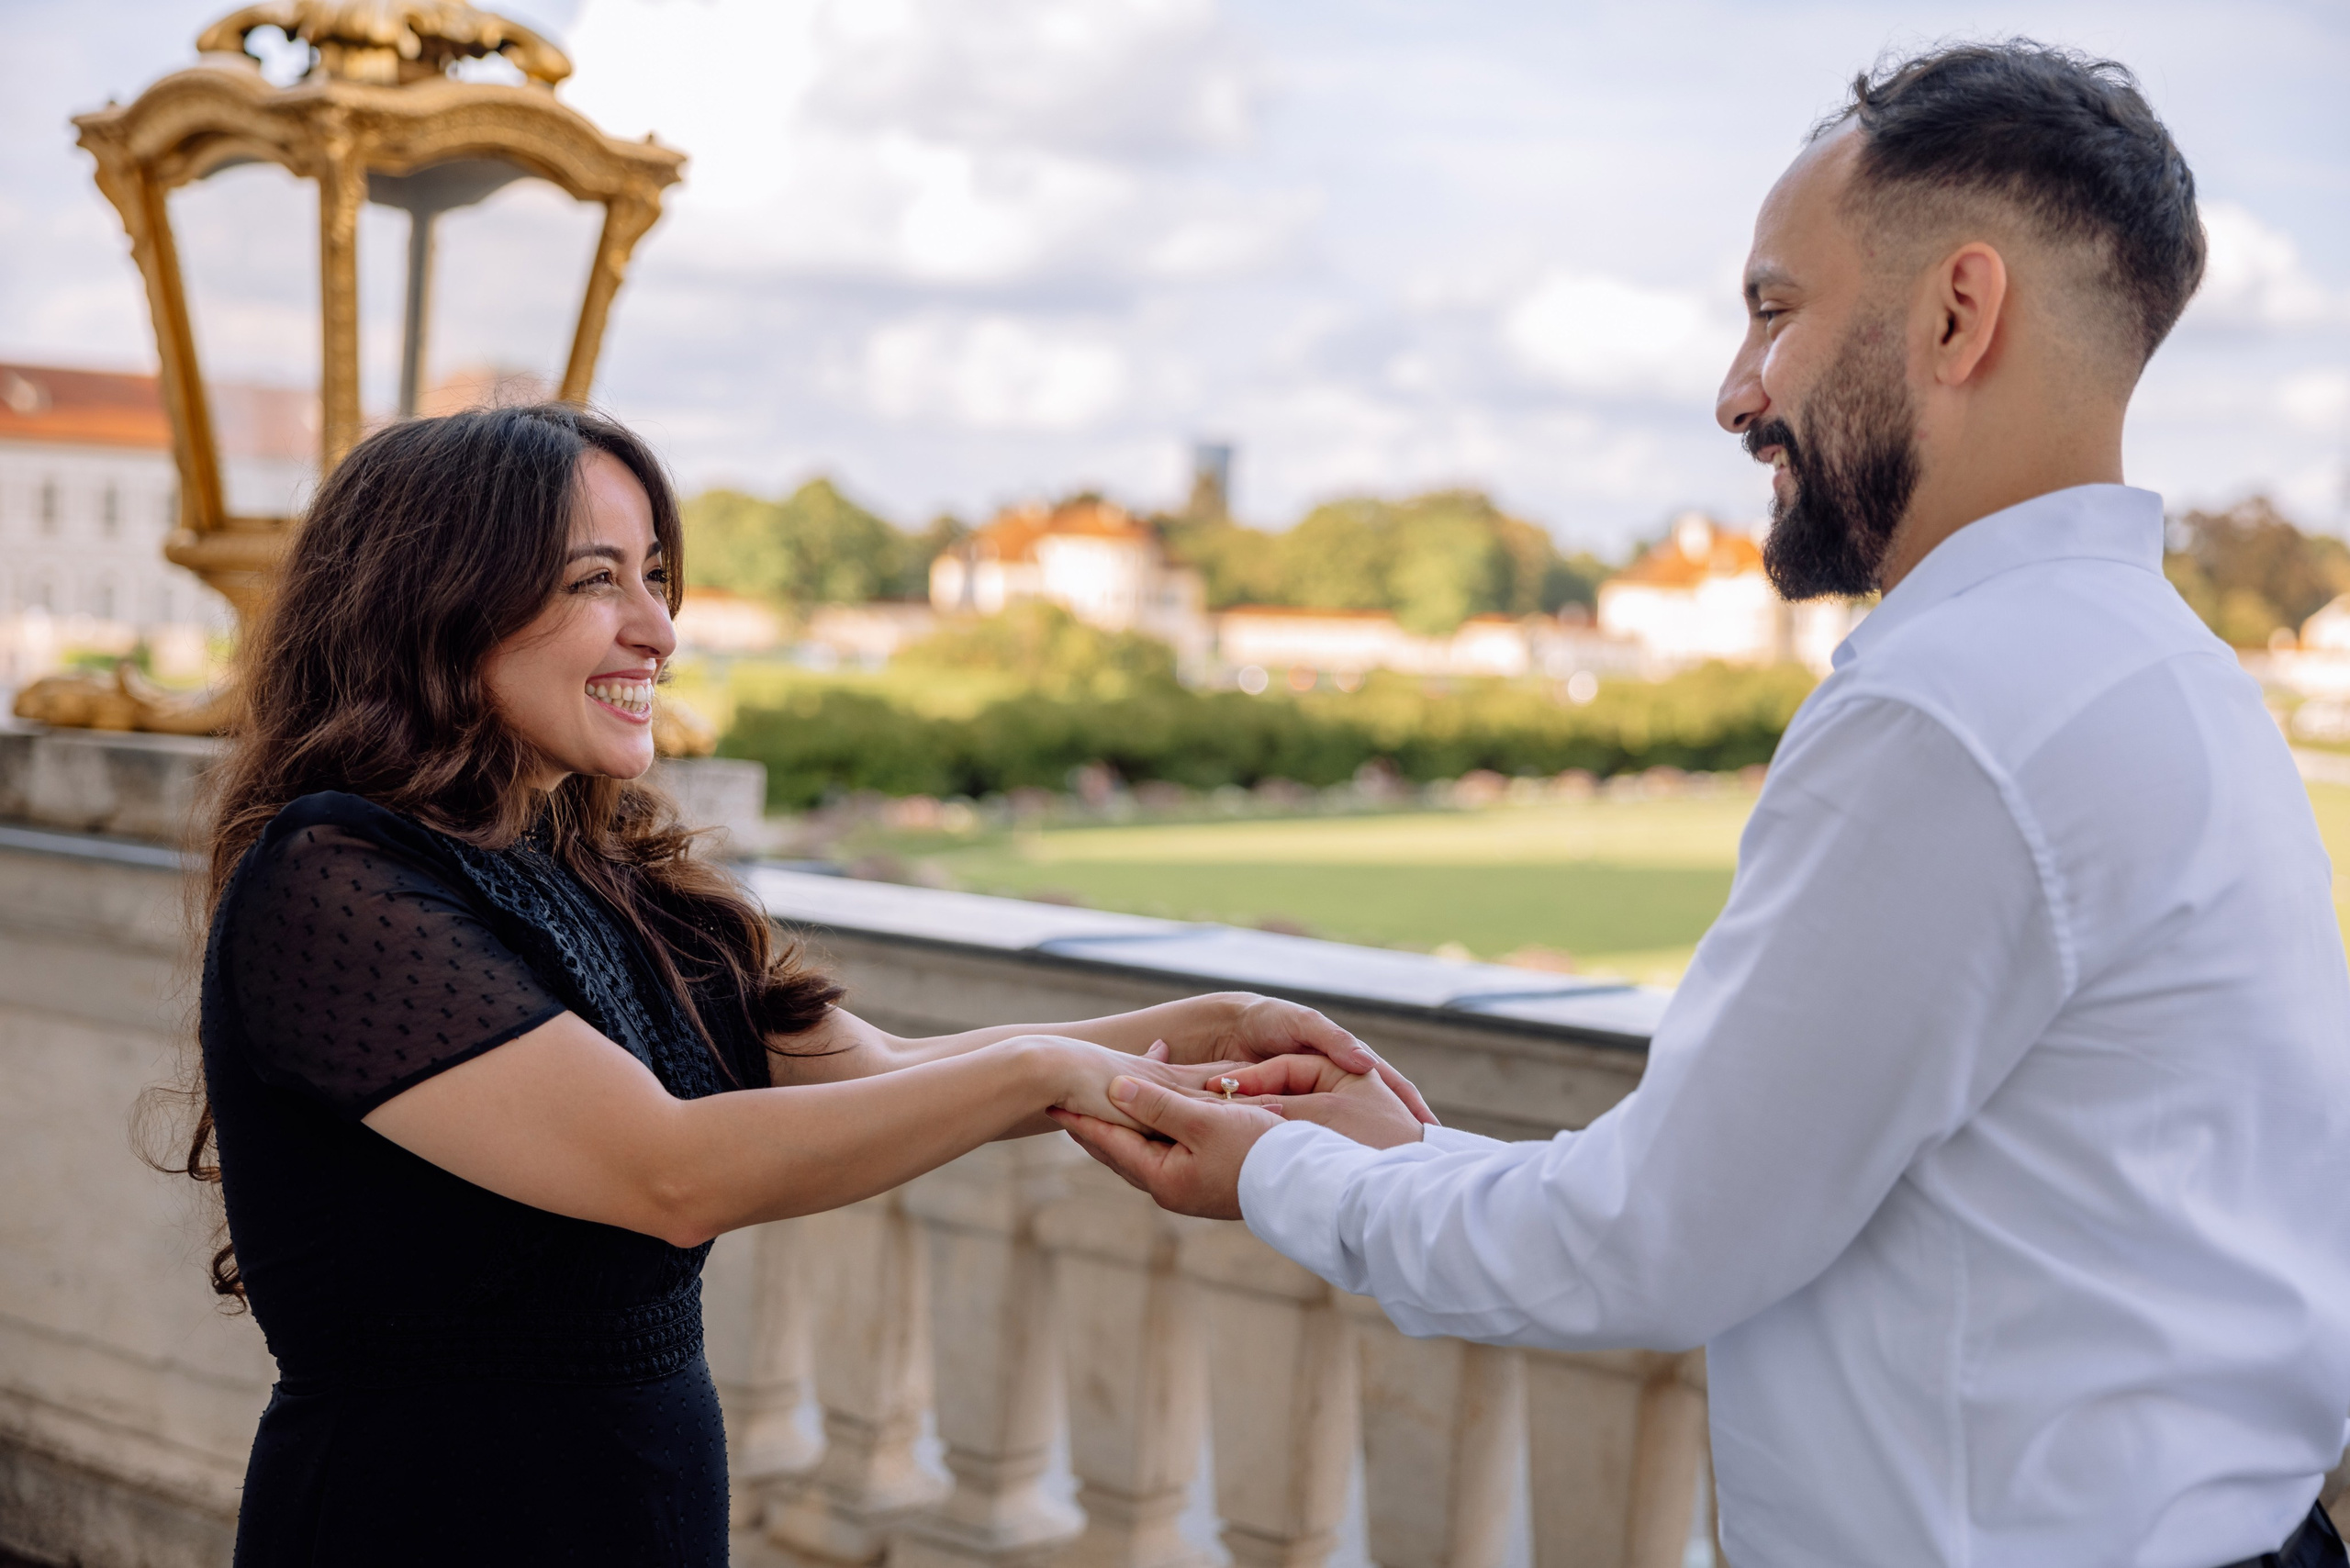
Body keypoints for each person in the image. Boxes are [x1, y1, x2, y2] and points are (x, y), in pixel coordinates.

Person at [1057, 41, 2350, 1568]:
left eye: (1774, 311)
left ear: (1958, 311)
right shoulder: (2170, 677)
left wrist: (1281, 1174)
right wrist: (1400, 1164)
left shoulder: (1952, 707)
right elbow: (1765, 1195)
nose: (1738, 393)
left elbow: (1648, 1247)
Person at [181, 403, 1426, 1566]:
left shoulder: (594, 869)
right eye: (595, 581)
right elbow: (668, 1172)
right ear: (438, 605)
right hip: (423, 1520)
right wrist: (1051, 1073)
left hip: (632, 1505)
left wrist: (1208, 1030)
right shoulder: (332, 882)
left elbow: (878, 1077)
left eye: (656, 578)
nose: (659, 631)